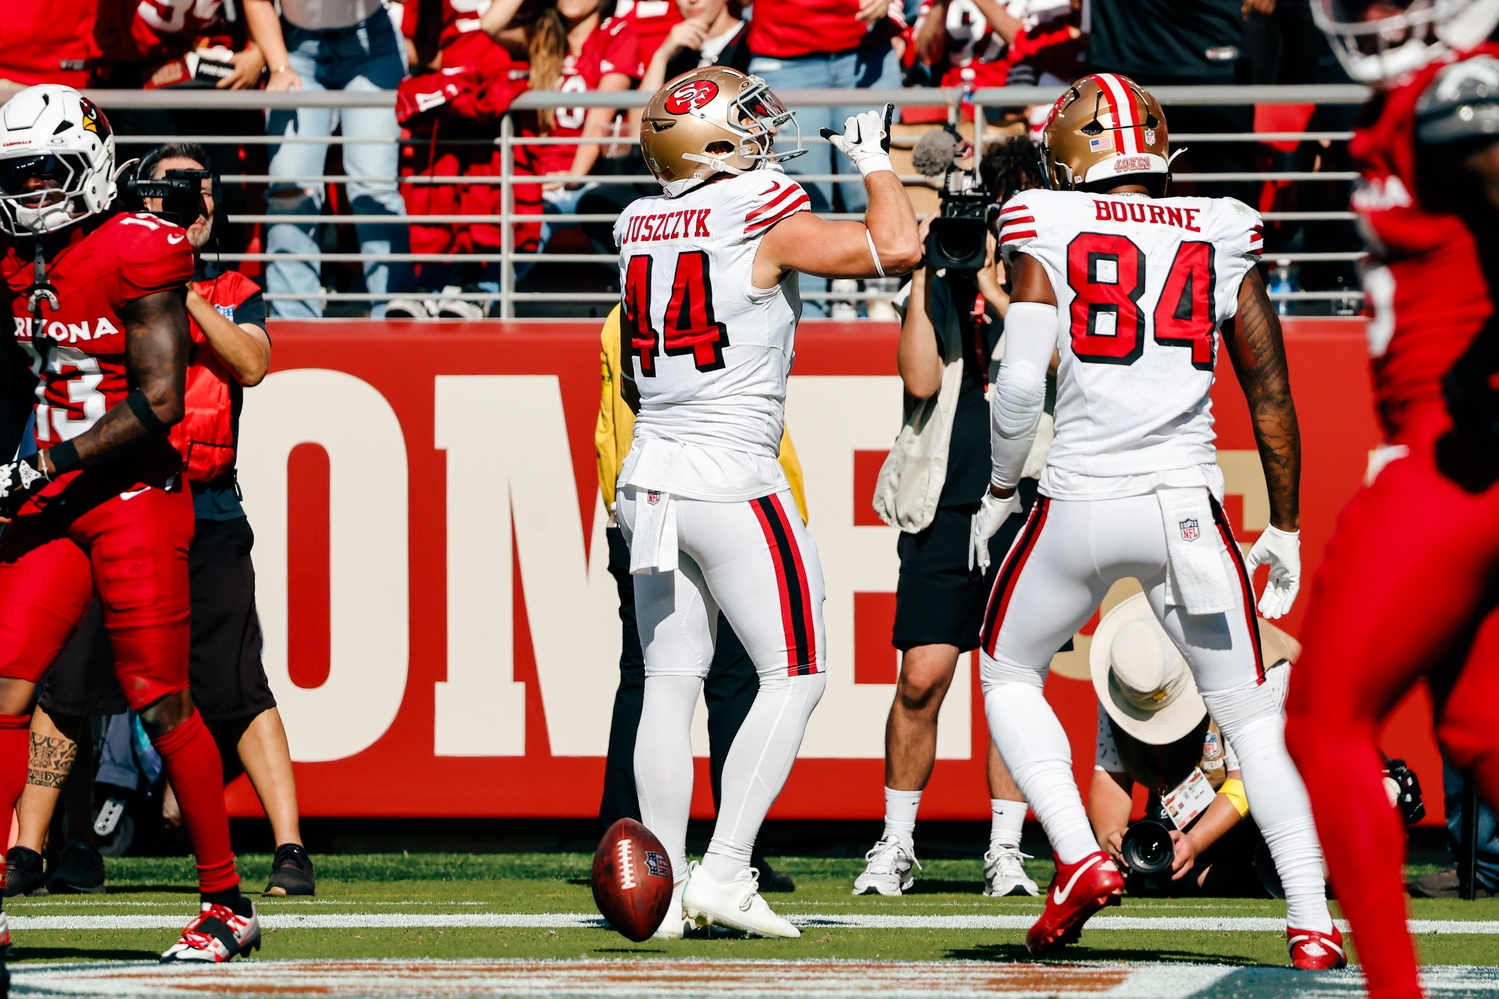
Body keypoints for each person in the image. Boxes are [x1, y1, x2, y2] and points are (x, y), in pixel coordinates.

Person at [974, 73, 1338, 967]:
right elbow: (1271, 396)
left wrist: (994, 488)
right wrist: (1284, 525)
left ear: (1070, 155)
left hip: (1078, 501)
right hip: (1184, 507)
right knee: (1251, 720)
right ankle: (1311, 923)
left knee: (1006, 671)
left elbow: (1019, 384)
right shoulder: (1217, 227)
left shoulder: (1043, 220)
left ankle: (1074, 855)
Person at [617, 66, 920, 938]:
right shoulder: (754, 207)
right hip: (733, 476)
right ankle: (723, 869)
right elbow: (895, 247)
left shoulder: (637, 220)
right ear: (708, 142)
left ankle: (662, 890)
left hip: (650, 474)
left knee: (669, 681)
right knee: (797, 672)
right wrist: (873, 164)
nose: (762, 135)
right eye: (743, 124)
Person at [2, 142, 314, 901]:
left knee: (182, 691)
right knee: (30, 687)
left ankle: (236, 887)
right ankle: (27, 851)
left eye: (47, 173)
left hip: (154, 495)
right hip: (59, 496)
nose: (33, 192)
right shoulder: (26, 259)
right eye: (20, 176)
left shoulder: (165, 259)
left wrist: (44, 463)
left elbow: (187, 390)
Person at [1289, 6, 1499, 999]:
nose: (1370, 11)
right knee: (1476, 730)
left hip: (1458, 458)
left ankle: (1393, 994)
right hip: (1459, 452)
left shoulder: (1460, 90)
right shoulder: (1408, 97)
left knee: (1322, 721)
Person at [855, 137, 1046, 901]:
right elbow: (918, 376)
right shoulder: (944, 275)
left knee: (1011, 681)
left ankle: (1005, 847)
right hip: (943, 499)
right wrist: (931, 275)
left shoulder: (1047, 277)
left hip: (1025, 498)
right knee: (920, 676)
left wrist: (1003, 293)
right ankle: (897, 841)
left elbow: (1065, 366)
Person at [595, 303, 806, 904]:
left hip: (649, 491)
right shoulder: (720, 294)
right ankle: (728, 854)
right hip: (722, 492)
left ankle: (639, 849)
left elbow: (627, 404)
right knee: (774, 674)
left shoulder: (632, 300)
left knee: (656, 678)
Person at [1088, 594, 1301, 900]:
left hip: (1295, 781)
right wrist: (1111, 838)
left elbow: (1249, 781)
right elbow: (1110, 773)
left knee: (1290, 870)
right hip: (1202, 795)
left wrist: (1195, 843)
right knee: (1166, 876)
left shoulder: (1252, 674)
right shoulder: (1125, 676)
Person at [243, 0, 413, 318]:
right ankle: (294, 319)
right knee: (290, 188)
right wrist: (280, 67)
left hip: (373, 45)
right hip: (294, 48)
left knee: (373, 186)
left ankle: (395, 313)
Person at [745, 0, 906, 317]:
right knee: (798, 199)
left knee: (875, 181)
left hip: (867, 48)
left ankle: (880, 294)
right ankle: (809, 312)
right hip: (784, 51)